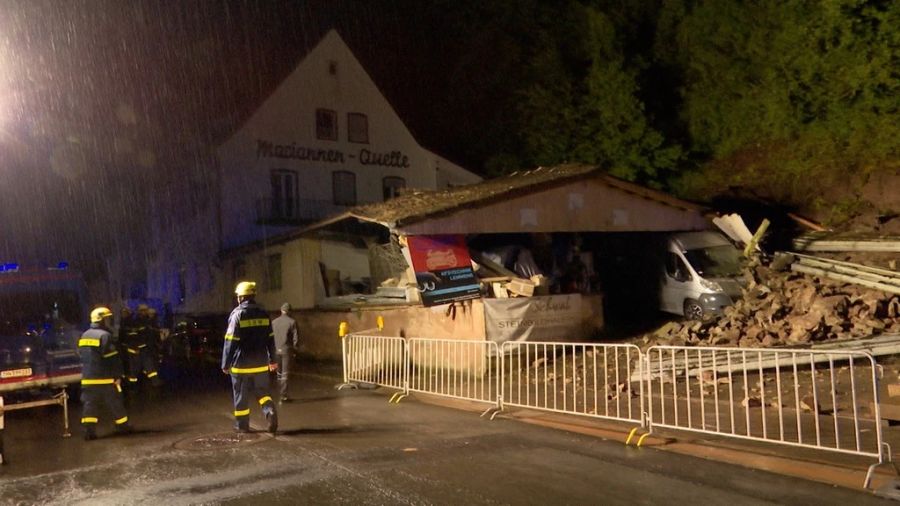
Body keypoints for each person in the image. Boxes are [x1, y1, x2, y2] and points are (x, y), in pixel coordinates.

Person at [222, 281, 278, 433]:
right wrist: (273, 360)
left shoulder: (237, 314)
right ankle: (270, 412)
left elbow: (230, 342)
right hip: (261, 363)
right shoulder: (264, 313)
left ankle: (242, 426)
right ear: (253, 296)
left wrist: (225, 364)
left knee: (240, 395)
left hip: (241, 365)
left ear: (240, 297)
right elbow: (271, 339)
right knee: (263, 392)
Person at [79, 306, 132, 440]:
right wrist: (118, 375)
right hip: (105, 378)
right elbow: (112, 359)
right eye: (107, 319)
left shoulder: (84, 335)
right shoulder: (105, 336)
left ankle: (89, 432)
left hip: (88, 379)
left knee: (90, 405)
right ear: (102, 320)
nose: (109, 321)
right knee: (115, 403)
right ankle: (122, 427)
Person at [126, 304, 161, 388]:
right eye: (142, 310)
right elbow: (132, 335)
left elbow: (151, 335)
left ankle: (155, 382)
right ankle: (132, 385)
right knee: (135, 368)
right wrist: (135, 347)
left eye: (145, 310)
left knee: (149, 365)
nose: (144, 312)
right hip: (136, 349)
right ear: (139, 311)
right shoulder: (135, 322)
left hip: (146, 348)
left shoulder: (148, 321)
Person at [271, 302, 299, 403]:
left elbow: (270, 337)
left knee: (279, 373)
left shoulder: (274, 322)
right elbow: (296, 339)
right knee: (285, 374)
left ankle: (280, 393)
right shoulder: (292, 322)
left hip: (276, 350)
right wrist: (295, 350)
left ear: (281, 310)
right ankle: (284, 395)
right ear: (289, 311)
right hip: (286, 350)